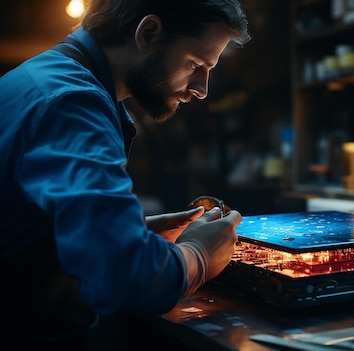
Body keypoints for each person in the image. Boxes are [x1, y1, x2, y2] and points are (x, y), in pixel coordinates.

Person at [0, 0, 251, 348]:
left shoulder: (46, 77)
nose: (201, 88)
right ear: (148, 33)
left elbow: (23, 233)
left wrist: (134, 234)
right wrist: (198, 255)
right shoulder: (72, 104)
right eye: (196, 64)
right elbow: (126, 277)